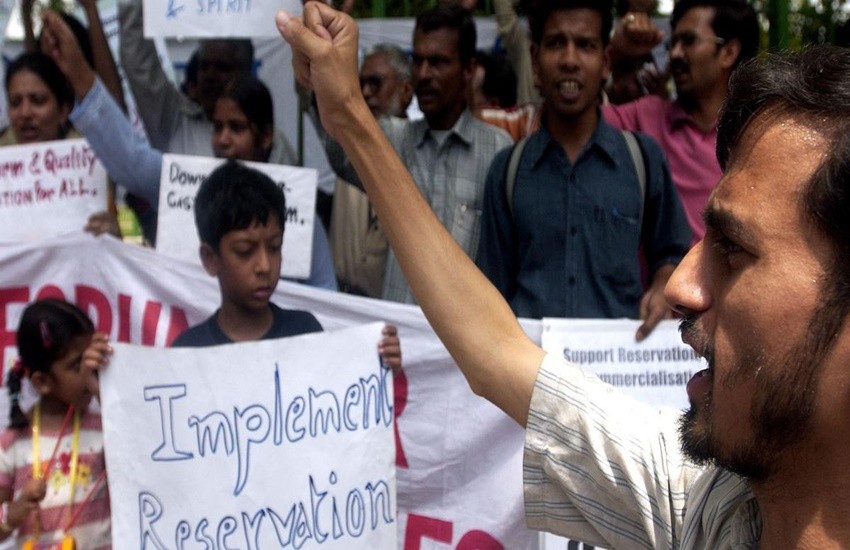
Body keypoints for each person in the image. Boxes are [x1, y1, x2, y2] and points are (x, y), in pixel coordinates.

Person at [278, 4, 850, 547]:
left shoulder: (638, 159)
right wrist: (348, 115)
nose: (681, 287)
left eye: (735, 250)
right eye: (555, 43)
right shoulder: (695, 505)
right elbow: (494, 348)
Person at [40, 11, 337, 290]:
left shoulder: (298, 208)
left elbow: (326, 299)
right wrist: (80, 75)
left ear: (265, 137)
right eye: (217, 127)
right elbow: (130, 159)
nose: (223, 139)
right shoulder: (186, 183)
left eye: (237, 128)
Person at [476, 0, 690, 340]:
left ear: (605, 62)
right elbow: (490, 290)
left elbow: (673, 252)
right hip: (529, 365)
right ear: (535, 60)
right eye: (556, 43)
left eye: (585, 45)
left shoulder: (643, 159)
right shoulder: (507, 171)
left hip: (619, 362)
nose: (570, 60)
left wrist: (663, 284)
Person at [310, 2, 513, 303]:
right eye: (417, 61)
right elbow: (339, 145)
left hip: (464, 331)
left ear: (468, 70)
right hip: (399, 329)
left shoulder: (498, 150)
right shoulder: (391, 139)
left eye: (438, 62)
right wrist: (320, 62)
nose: (424, 74)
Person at [604, 0, 759, 242]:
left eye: (688, 41)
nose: (675, 54)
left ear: (728, 52)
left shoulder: (758, 136)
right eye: (672, 43)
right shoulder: (647, 117)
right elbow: (571, 123)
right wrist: (615, 52)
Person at [0, 299, 110, 548]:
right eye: (77, 364)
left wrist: (104, 394)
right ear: (42, 382)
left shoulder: (105, 427)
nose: (89, 369)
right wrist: (15, 512)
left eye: (92, 358)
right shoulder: (12, 442)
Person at [329, 43, 413, 298]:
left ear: (406, 90)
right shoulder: (345, 151)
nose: (365, 93)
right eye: (361, 84)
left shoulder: (420, 157)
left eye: (376, 83)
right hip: (342, 303)